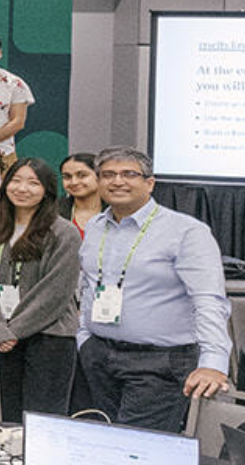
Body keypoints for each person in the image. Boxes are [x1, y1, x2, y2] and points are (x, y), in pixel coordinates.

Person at [74, 147, 234, 432]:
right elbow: (89, 285)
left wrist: (213, 361)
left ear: (150, 183)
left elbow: (208, 300)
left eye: (129, 174)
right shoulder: (97, 226)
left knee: (137, 452)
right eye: (108, 174)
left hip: (159, 363)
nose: (117, 181)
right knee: (101, 442)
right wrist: (84, 337)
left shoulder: (185, 231)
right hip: (99, 356)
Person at [0, 159, 81, 422]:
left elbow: (56, 291)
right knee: (1, 416)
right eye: (16, 180)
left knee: (43, 420)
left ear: (47, 191)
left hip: (48, 337)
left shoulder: (64, 233)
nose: (23, 188)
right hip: (0, 336)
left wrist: (14, 331)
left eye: (33, 183)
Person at [59, 152, 104, 236]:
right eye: (67, 177)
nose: (74, 182)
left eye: (82, 175)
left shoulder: (116, 211)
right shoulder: (53, 212)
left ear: (99, 176)